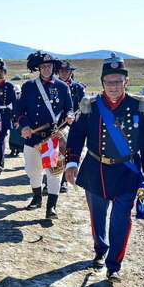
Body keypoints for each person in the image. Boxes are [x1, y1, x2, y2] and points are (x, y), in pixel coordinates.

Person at [66, 53, 144, 282]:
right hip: (96, 169)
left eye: (118, 81)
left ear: (126, 81)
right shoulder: (90, 105)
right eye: (109, 82)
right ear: (102, 82)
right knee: (97, 216)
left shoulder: (138, 105)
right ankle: (100, 248)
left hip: (127, 172)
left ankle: (114, 265)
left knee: (121, 219)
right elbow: (77, 135)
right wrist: (72, 162)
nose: (113, 87)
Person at [15, 51, 74, 219]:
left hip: (54, 137)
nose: (46, 69)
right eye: (43, 66)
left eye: (49, 66)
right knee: (32, 170)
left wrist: (70, 115)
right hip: (32, 137)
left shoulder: (63, 87)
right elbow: (19, 109)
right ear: (38, 68)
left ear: (53, 67)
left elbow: (69, 108)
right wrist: (24, 125)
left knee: (54, 173)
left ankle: (51, 207)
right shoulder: (28, 86)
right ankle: (37, 198)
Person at [56, 60, 85, 193]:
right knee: (54, 153)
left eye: (66, 71)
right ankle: (52, 178)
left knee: (68, 152)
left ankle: (63, 181)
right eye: (61, 71)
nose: (63, 73)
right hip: (57, 125)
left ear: (71, 72)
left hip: (73, 125)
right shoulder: (53, 86)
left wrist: (75, 115)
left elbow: (84, 106)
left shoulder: (78, 88)